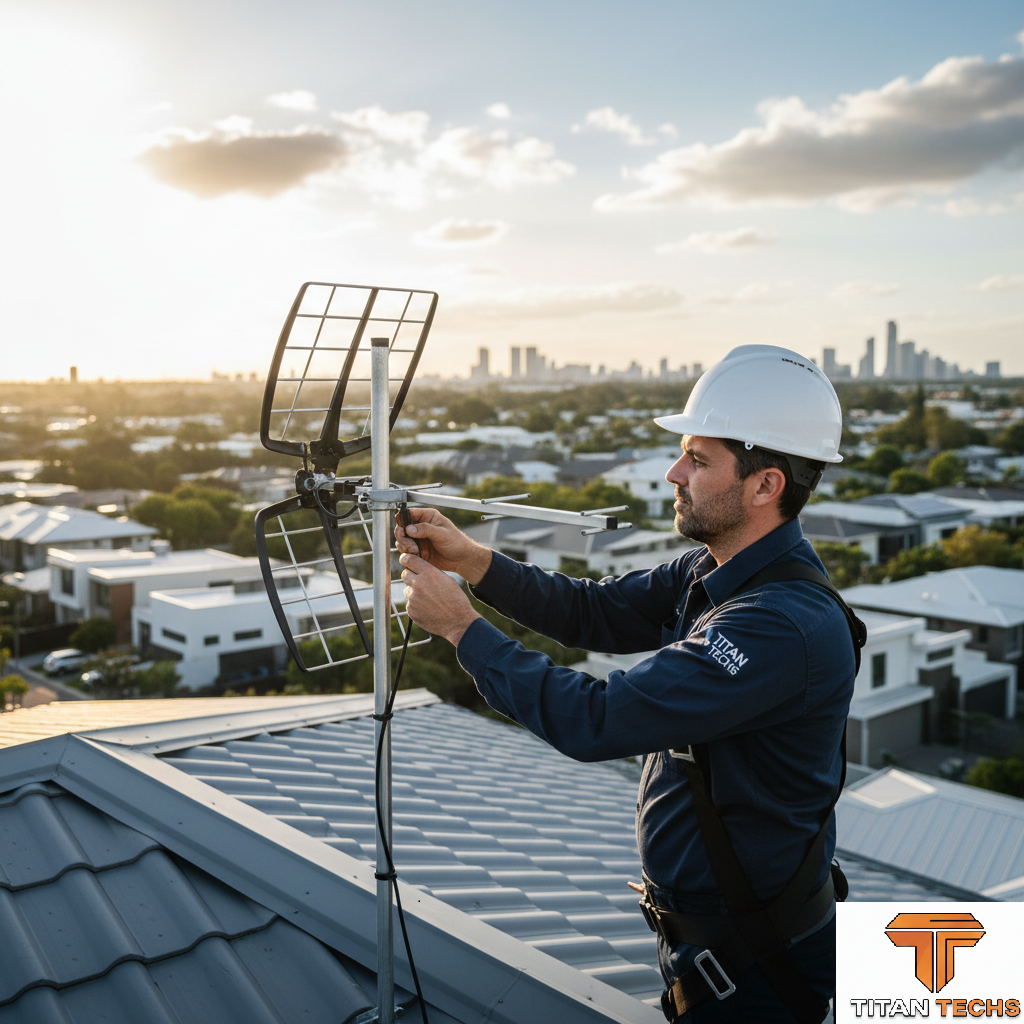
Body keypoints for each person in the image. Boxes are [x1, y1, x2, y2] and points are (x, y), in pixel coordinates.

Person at [396, 345, 857, 1023]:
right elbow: (594, 609)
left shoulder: (777, 626)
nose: (674, 472)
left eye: (698, 460)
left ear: (765, 486)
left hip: (758, 964)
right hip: (718, 947)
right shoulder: (714, 570)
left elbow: (598, 719)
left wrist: (465, 630)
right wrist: (476, 562)